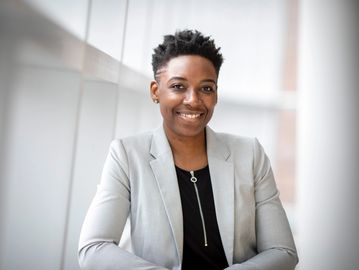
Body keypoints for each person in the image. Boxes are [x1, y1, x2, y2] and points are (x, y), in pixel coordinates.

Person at [78, 29, 298, 270]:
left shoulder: (250, 154)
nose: (193, 100)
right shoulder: (127, 155)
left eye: (206, 88)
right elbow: (94, 248)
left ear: (216, 94)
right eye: (178, 86)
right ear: (155, 91)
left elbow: (282, 251)